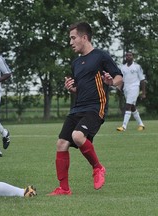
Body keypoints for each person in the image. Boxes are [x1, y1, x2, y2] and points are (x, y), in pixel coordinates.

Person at [48, 22, 123, 196]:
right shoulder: (76, 63)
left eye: (73, 38)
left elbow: (119, 77)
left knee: (77, 136)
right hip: (77, 108)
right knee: (61, 144)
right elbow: (81, 87)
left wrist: (111, 82)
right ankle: (64, 189)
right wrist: (73, 88)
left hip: (95, 107)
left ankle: (98, 168)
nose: (71, 42)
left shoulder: (100, 56)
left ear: (84, 37)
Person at [116, 51, 146, 132]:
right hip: (126, 89)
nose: (128, 57)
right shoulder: (123, 67)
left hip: (134, 88)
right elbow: (121, 80)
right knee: (132, 107)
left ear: (133, 57)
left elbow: (142, 80)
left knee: (128, 106)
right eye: (127, 55)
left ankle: (124, 126)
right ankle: (141, 124)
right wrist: (119, 89)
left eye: (130, 55)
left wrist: (143, 93)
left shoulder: (137, 67)